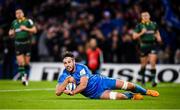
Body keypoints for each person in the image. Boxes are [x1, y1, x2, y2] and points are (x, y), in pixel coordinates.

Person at [56, 51, 159, 100]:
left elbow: (83, 85)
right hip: (95, 94)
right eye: (65, 63)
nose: (67, 65)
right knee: (120, 97)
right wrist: (66, 82)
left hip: (101, 81)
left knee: (130, 85)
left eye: (69, 62)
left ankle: (147, 92)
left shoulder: (81, 68)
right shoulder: (64, 74)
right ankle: (131, 96)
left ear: (73, 61)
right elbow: (57, 92)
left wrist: (73, 92)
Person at [132, 11, 162, 87]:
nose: (145, 17)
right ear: (141, 17)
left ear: (149, 16)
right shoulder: (139, 26)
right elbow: (134, 36)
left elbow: (156, 32)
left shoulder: (154, 24)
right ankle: (142, 79)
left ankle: (153, 81)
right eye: (143, 16)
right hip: (143, 46)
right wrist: (142, 33)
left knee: (152, 62)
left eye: (146, 15)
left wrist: (158, 37)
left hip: (152, 45)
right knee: (143, 64)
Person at [8, 8, 37, 86]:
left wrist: (25, 28)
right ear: (15, 15)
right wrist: (11, 34)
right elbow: (11, 33)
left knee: (26, 63)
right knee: (21, 62)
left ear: (23, 13)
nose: (18, 14)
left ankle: (25, 76)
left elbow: (35, 30)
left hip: (27, 44)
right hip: (18, 44)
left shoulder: (28, 21)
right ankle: (23, 78)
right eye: (17, 13)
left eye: (20, 13)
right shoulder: (14, 22)